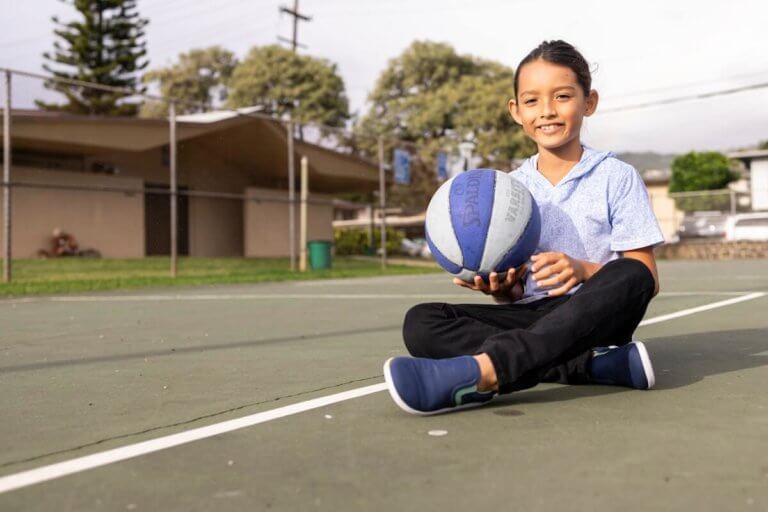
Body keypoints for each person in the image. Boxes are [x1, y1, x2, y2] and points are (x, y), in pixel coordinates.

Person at [383, 40, 665, 415]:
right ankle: (593, 365)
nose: (546, 111)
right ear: (516, 111)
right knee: (422, 321)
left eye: (562, 96)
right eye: (532, 101)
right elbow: (516, 297)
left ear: (589, 102)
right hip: (533, 318)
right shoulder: (508, 189)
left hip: (594, 317)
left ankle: (487, 372)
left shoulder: (616, 176)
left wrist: (584, 270)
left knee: (630, 273)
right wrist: (504, 289)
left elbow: (648, 279)